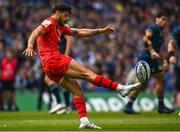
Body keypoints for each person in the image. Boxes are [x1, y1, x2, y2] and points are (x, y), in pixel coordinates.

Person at [23, 3, 140, 129]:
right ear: (58, 12)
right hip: (54, 60)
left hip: (48, 67)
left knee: (78, 91)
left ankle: (84, 121)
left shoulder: (60, 27)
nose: (67, 19)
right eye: (66, 15)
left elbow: (79, 32)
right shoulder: (49, 22)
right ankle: (120, 88)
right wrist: (30, 46)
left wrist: (100, 31)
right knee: (88, 74)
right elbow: (36, 32)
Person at [124, 13, 175, 114]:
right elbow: (145, 38)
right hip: (146, 58)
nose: (165, 22)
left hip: (153, 60)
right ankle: (128, 106)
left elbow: (158, 50)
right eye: (163, 19)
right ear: (157, 19)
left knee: (161, 79)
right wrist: (151, 51)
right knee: (140, 82)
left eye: (166, 20)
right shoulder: (154, 27)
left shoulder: (161, 33)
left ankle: (161, 106)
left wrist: (163, 61)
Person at [47, 31, 74, 114]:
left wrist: (66, 56)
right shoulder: (53, 28)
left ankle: (61, 104)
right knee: (63, 81)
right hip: (56, 57)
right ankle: (67, 106)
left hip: (62, 57)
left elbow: (70, 39)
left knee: (49, 79)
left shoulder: (62, 27)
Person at [167, 25, 180, 106]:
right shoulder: (178, 31)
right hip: (178, 63)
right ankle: (174, 103)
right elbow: (171, 43)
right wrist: (172, 55)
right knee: (177, 84)